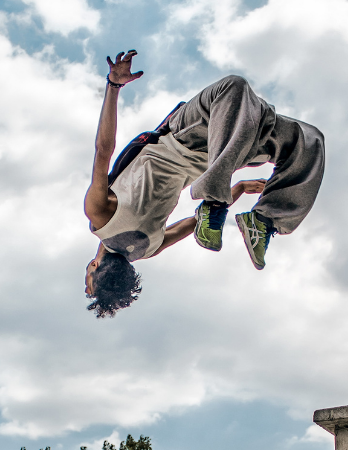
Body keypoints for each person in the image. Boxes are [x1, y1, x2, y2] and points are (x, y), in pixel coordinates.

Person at [84, 50, 325, 318]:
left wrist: (240, 189)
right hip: (188, 136)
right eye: (88, 287)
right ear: (94, 265)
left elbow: (195, 223)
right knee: (233, 89)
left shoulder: (149, 249)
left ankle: (252, 213)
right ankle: (264, 219)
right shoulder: (100, 215)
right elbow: (103, 150)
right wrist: (114, 85)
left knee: (308, 139)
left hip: (220, 153)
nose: (86, 286)